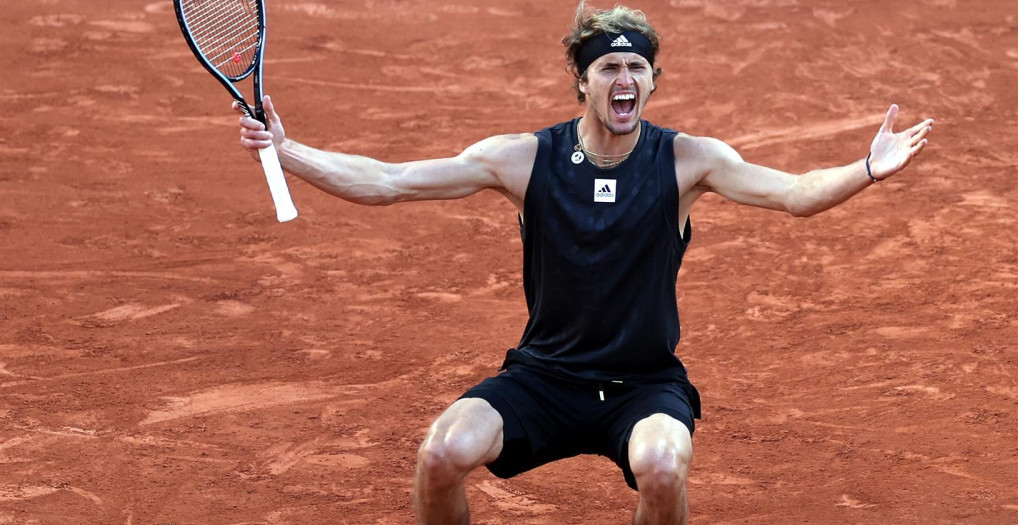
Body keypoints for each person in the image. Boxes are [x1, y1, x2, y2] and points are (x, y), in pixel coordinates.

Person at [236, 2, 932, 523]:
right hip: (543, 376)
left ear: (652, 83)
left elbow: (794, 195)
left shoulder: (689, 160)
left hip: (643, 382)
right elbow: (389, 182)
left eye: (637, 68)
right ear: (583, 81)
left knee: (662, 464)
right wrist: (288, 151)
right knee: (442, 452)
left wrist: (866, 169)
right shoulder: (523, 158)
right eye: (609, 67)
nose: (624, 78)